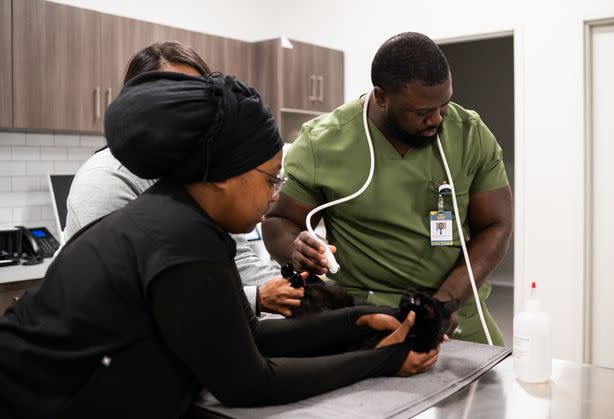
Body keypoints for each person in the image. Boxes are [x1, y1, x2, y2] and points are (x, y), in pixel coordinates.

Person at [0, 72, 441, 419]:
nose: (275, 196)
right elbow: (248, 381)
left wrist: (359, 321)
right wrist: (382, 362)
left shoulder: (179, 218)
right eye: (271, 179)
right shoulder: (179, 237)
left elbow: (245, 337)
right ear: (224, 178)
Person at [262, 32, 513, 345]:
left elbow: (496, 225)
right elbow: (278, 221)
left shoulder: (469, 134)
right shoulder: (323, 142)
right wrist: (295, 248)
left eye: (444, 105)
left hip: (455, 308)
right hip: (364, 315)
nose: (436, 119)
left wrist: (445, 301)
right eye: (422, 112)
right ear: (381, 97)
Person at [64, 41, 301, 317]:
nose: (195, 109)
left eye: (201, 96)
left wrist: (289, 288)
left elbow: (238, 258)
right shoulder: (105, 179)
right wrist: (256, 298)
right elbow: (129, 293)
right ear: (137, 101)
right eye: (179, 95)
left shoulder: (200, 175)